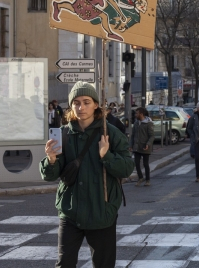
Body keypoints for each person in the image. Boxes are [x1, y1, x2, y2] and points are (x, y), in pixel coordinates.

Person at [40, 81, 134, 267]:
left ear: (96, 105)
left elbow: (127, 168)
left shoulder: (111, 133)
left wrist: (106, 156)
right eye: (76, 102)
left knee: (103, 264)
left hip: (102, 212)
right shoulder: (63, 134)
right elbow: (50, 176)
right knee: (64, 263)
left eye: (86, 102)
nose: (80, 107)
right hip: (70, 212)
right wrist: (50, 160)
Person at [130, 107, 154, 186]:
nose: (135, 115)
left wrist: (148, 144)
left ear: (141, 114)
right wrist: (131, 145)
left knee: (145, 164)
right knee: (136, 163)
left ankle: (148, 180)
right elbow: (133, 135)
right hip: (137, 146)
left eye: (137, 113)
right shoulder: (136, 123)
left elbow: (151, 136)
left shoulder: (148, 123)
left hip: (145, 146)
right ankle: (140, 177)